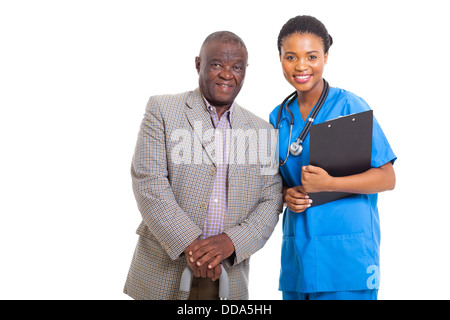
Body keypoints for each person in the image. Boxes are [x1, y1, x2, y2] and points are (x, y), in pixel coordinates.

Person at [124, 31, 283, 300]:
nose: (226, 74)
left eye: (236, 67)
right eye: (217, 64)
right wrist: (191, 244)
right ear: (199, 64)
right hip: (163, 272)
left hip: (229, 276)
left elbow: (271, 199)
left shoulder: (263, 130)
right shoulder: (162, 109)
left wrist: (232, 242)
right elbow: (149, 182)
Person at [269, 15, 396, 300]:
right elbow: (273, 182)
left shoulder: (350, 106)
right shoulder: (277, 117)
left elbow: (387, 178)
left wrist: (329, 183)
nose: (301, 66)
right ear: (280, 59)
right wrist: (287, 194)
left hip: (347, 257)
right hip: (299, 255)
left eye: (311, 56)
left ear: (326, 56)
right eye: (291, 56)